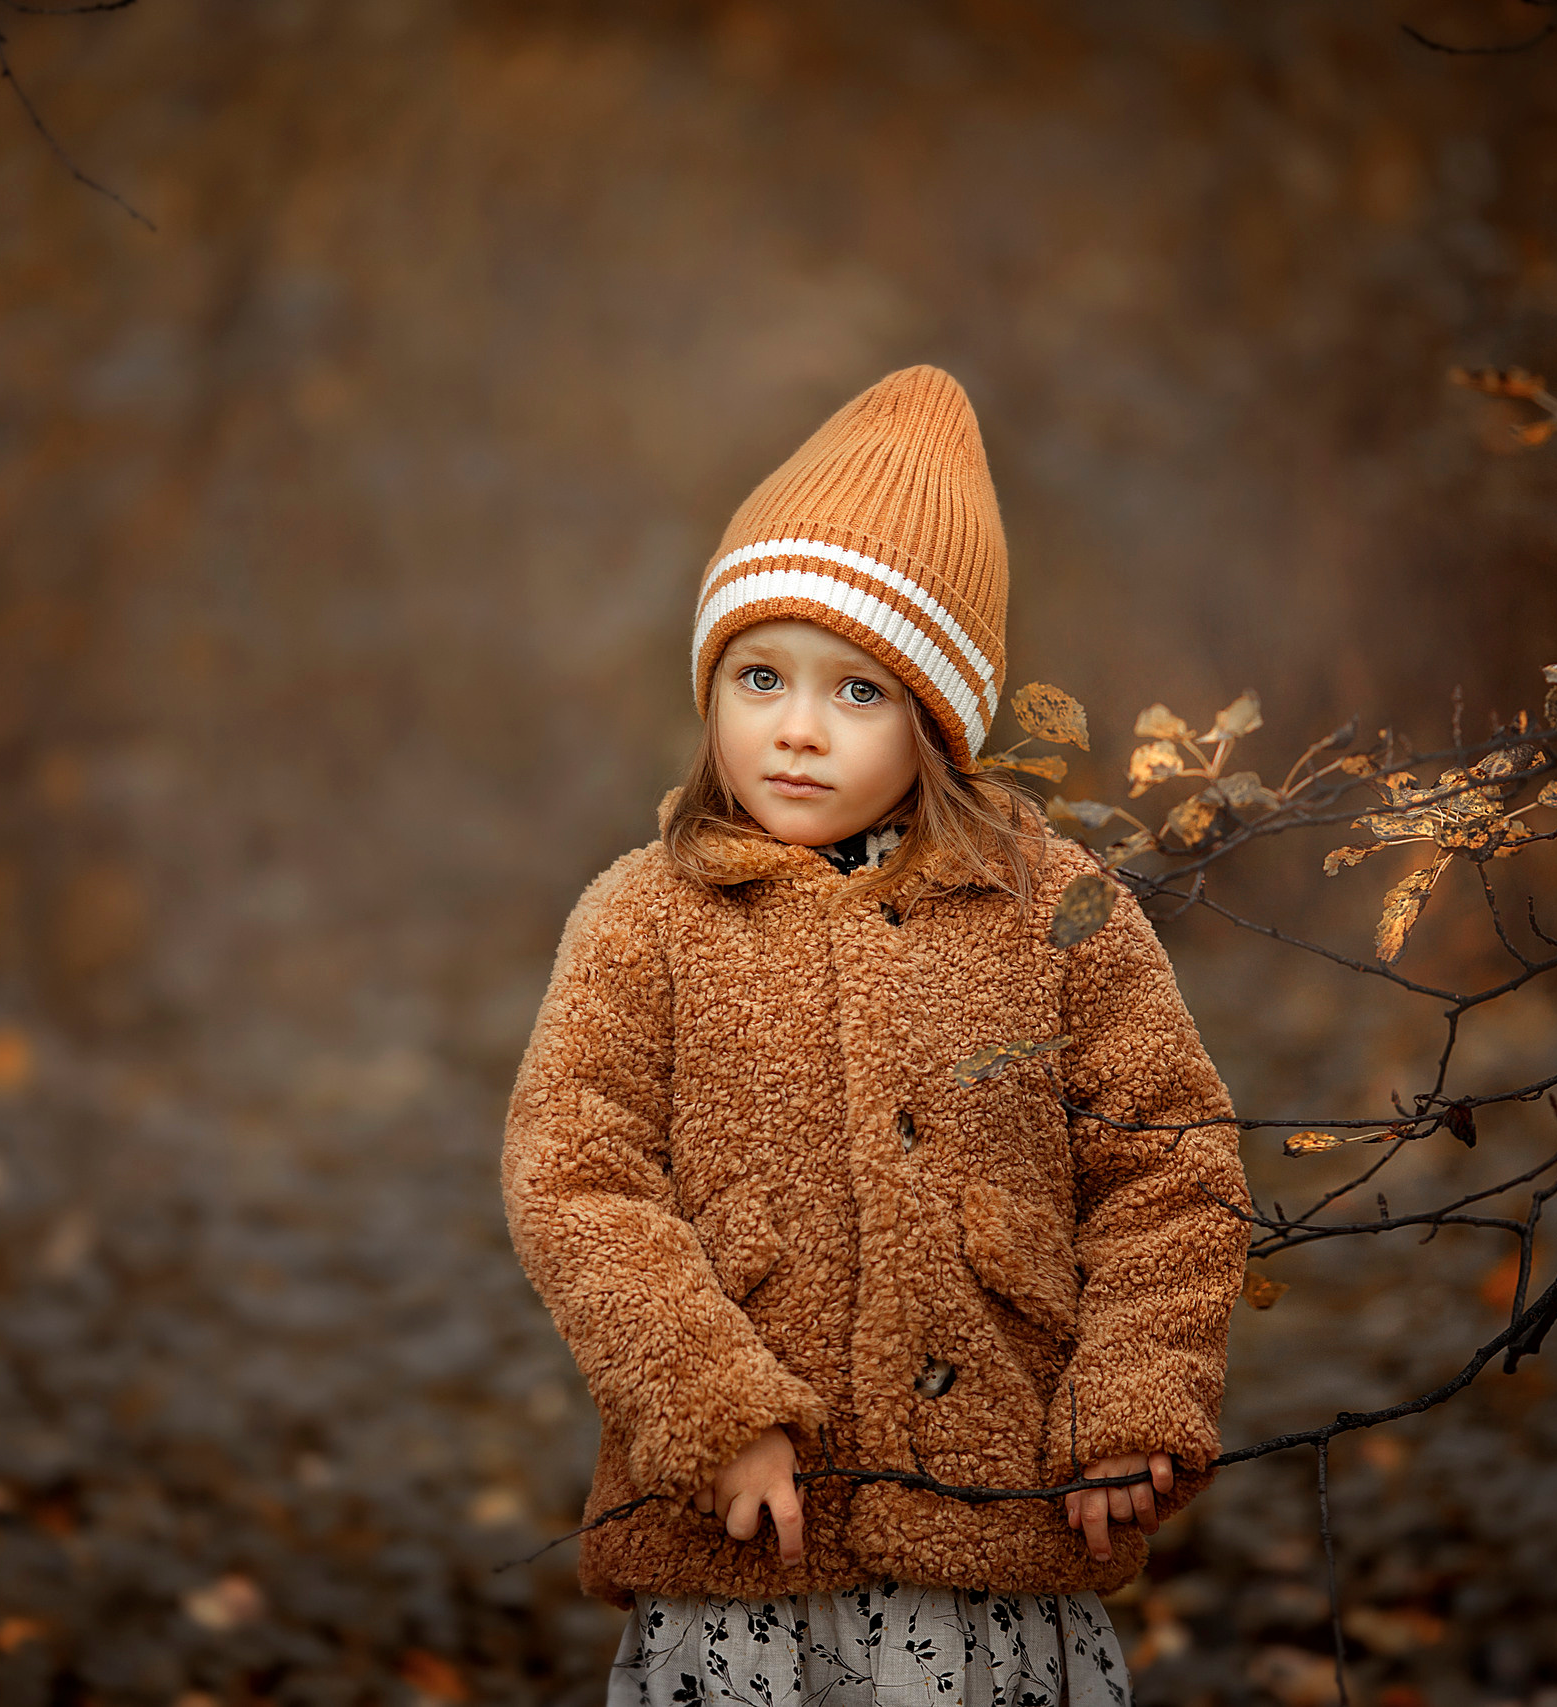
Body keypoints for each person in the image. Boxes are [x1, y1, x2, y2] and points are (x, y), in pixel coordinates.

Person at [501, 365, 1249, 1707]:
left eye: (858, 693)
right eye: (760, 676)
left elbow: (1170, 1168)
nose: (794, 729)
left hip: (993, 1537)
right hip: (741, 1541)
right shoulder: (645, 917)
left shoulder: (1051, 908)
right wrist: (711, 1409)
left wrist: (1131, 1402)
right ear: (710, 686)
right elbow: (578, 1178)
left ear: (937, 723)